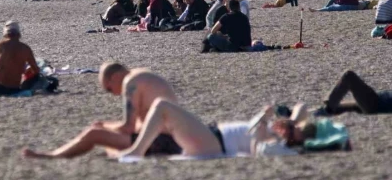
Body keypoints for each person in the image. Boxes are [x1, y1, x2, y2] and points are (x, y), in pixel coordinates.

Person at [21, 63, 181, 159]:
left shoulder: (131, 83)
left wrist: (102, 127)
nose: (114, 94)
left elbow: (128, 128)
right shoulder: (142, 75)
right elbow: (141, 124)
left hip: (163, 141)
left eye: (110, 89)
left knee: (93, 134)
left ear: (115, 77)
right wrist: (106, 126)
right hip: (171, 137)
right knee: (105, 140)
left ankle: (53, 156)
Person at [114, 101, 347, 160]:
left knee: (163, 108)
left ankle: (137, 150)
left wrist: (262, 125)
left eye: (297, 130)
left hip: (216, 143)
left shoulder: (281, 147)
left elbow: (258, 150)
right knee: (151, 124)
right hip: (212, 134)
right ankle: (134, 146)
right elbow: (303, 107)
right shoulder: (284, 132)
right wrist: (292, 120)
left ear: (298, 138)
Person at [316, 70, 392, 116]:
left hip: (375, 104)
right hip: (377, 101)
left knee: (349, 76)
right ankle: (326, 109)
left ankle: (329, 109)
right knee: (341, 106)